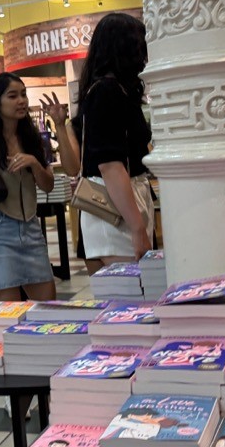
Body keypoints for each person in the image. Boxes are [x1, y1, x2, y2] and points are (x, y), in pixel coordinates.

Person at [0, 73, 57, 302]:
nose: (21, 101)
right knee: (9, 315)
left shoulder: (31, 137)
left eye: (23, 94)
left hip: (32, 229)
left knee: (49, 311)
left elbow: (48, 186)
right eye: (13, 96)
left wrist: (34, 163)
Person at [73, 13, 154, 265]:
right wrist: (138, 227)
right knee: (129, 295)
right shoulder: (108, 91)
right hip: (117, 207)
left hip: (120, 203)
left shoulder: (111, 90)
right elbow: (109, 164)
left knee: (127, 294)